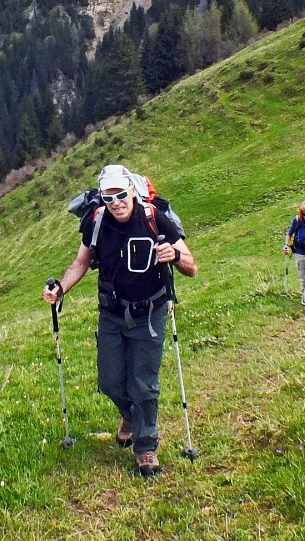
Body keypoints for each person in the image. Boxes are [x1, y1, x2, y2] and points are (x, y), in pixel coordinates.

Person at [44, 164, 197, 477]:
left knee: (144, 384)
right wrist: (61, 288)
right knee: (110, 381)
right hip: (112, 312)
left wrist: (175, 257)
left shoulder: (156, 218)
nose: (116, 202)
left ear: (132, 192)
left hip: (150, 312)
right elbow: (81, 261)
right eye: (108, 196)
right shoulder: (97, 221)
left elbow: (192, 266)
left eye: (121, 194)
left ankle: (146, 447)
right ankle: (129, 417)